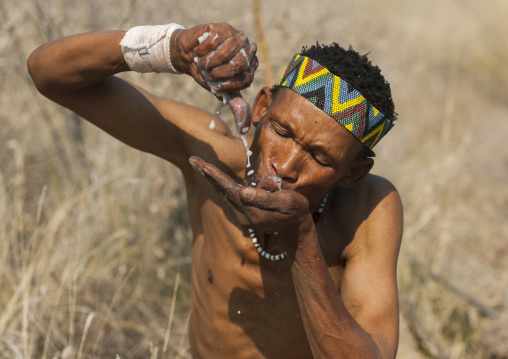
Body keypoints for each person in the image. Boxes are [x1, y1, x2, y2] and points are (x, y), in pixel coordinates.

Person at [28, 21, 403, 359]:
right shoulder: (212, 151)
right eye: (281, 132)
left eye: (319, 158)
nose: (285, 166)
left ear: (353, 172)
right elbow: (48, 73)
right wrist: (169, 48)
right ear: (261, 109)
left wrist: (302, 238)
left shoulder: (368, 210)